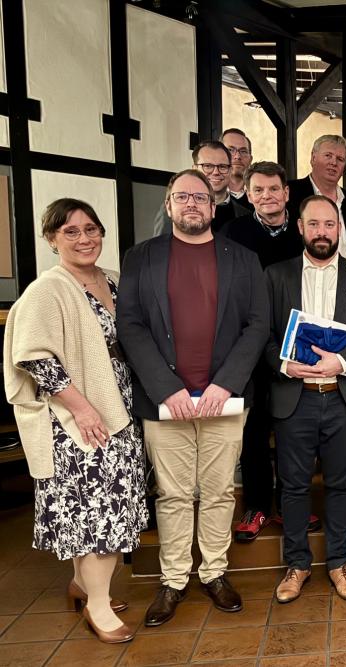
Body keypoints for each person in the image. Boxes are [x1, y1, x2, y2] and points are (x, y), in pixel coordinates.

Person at [117, 169, 269, 626]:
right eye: (182, 197)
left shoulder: (243, 259)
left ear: (213, 205)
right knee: (174, 494)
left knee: (221, 490)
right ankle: (174, 579)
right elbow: (131, 325)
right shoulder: (141, 257)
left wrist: (226, 382)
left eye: (199, 197)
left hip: (224, 399)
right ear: (169, 205)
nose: (191, 204)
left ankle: (215, 573)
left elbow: (258, 325)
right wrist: (167, 388)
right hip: (167, 403)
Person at [4, 199, 147, 644]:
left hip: (118, 406)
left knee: (98, 507)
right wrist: (82, 408)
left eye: (91, 229)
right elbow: (32, 356)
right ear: (51, 239)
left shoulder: (114, 281)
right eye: (70, 231)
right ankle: (99, 608)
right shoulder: (47, 289)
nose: (84, 238)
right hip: (77, 418)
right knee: (98, 513)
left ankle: (83, 586)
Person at [264, 195, 346, 604]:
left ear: (339, 229)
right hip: (293, 398)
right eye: (314, 224)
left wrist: (342, 361)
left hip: (342, 397)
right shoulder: (276, 275)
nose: (322, 232)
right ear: (299, 227)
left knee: (339, 485)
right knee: (294, 486)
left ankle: (338, 563)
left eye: (329, 225)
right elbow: (260, 335)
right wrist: (284, 366)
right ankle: (297, 565)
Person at [220, 161, 307, 543]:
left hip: (296, 343)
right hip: (249, 346)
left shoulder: (306, 229)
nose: (266, 197)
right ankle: (256, 507)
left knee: (293, 429)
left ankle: (293, 506)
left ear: (287, 192)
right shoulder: (233, 233)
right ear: (249, 194)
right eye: (258, 190)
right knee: (253, 431)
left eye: (274, 189)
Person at [287, 135, 346, 262]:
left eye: (340, 159)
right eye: (328, 155)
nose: (334, 162)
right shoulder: (291, 192)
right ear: (313, 158)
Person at [151, 140, 249, 235]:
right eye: (207, 166)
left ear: (230, 170)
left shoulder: (245, 214)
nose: (216, 172)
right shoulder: (175, 209)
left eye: (222, 166)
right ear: (194, 169)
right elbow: (161, 248)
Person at [222, 128, 253, 200]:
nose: (237, 156)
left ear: (250, 159)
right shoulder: (207, 193)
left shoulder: (261, 195)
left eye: (243, 151)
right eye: (230, 150)